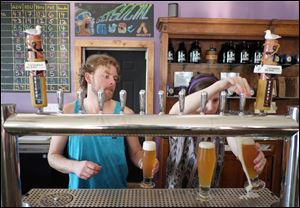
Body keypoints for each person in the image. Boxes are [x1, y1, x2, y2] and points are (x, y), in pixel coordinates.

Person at [48, 54, 159, 189]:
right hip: (80, 196)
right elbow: (53, 156)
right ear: (88, 77)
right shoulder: (68, 111)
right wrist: (74, 166)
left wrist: (144, 162)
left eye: (115, 78)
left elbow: (136, 152)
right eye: (106, 76)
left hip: (117, 194)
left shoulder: (125, 113)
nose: (113, 82)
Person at [166, 73, 267, 188]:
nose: (210, 107)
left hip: (208, 197)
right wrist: (220, 85)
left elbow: (237, 141)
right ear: (193, 100)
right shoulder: (181, 123)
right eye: (204, 101)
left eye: (215, 101)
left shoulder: (220, 124)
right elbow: (173, 113)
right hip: (176, 197)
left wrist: (252, 159)